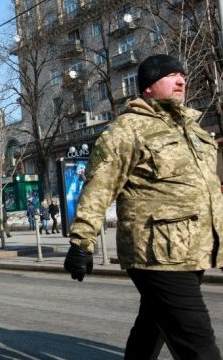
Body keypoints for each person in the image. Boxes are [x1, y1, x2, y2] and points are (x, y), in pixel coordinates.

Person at [64, 54, 223, 360]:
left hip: (193, 248)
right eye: (171, 75)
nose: (181, 81)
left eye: (183, 76)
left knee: (153, 325)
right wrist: (81, 242)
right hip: (157, 253)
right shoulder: (128, 129)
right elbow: (99, 185)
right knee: (198, 343)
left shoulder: (193, 128)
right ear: (148, 87)